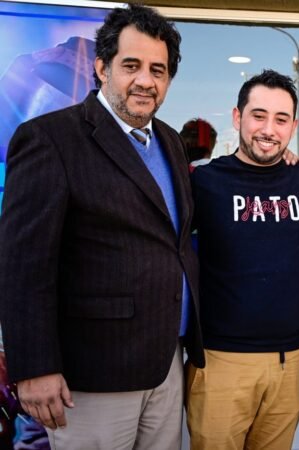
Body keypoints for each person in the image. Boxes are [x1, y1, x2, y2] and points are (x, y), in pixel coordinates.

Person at [0, 5, 204, 449]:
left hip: (166, 363)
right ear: (101, 68)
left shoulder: (169, 141)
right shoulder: (50, 138)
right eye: (131, 66)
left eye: (158, 69)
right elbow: (23, 265)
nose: (145, 81)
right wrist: (34, 367)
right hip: (91, 377)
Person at [187, 69, 299, 450]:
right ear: (237, 117)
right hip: (220, 359)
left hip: (290, 358)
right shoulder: (204, 182)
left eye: (281, 120)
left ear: (293, 126)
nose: (269, 129)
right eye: (258, 115)